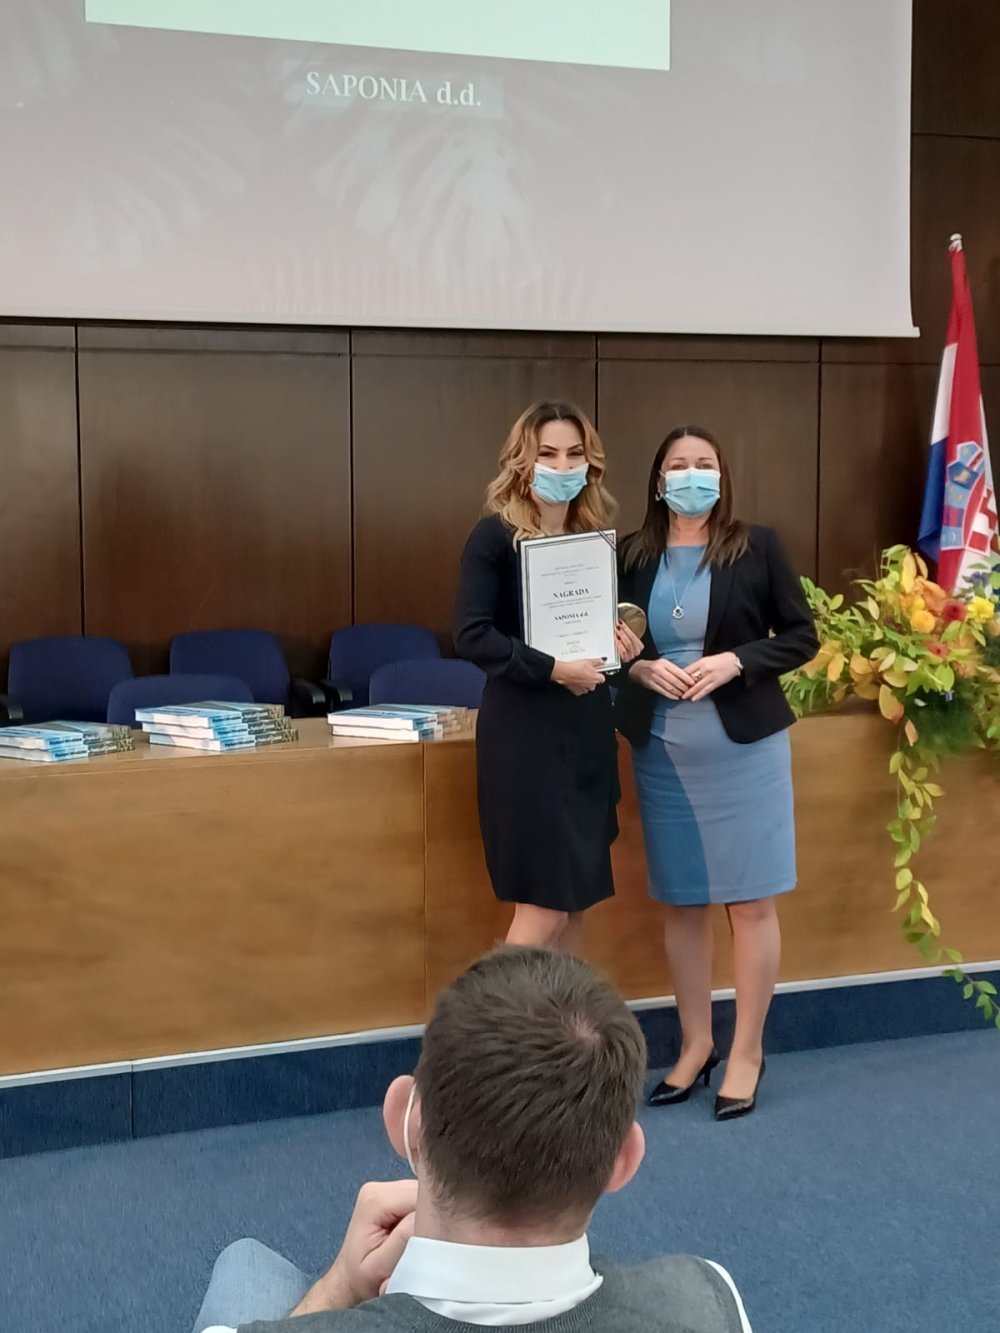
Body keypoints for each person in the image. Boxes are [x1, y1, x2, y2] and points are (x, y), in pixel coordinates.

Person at [194, 945, 752, 1332]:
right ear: (623, 1159)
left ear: (406, 1119)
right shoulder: (708, 1300)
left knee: (247, 1265)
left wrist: (340, 1286)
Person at [616, 426, 818, 1121]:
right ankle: (697, 1044)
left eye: (704, 464)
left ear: (722, 477)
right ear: (658, 481)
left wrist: (736, 660)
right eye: (678, 465)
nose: (691, 475)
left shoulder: (757, 546)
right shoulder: (630, 554)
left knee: (751, 903)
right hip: (664, 751)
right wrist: (639, 668)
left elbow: (802, 636)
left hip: (745, 749)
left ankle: (747, 1051)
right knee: (684, 901)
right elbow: (604, 645)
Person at [452, 401, 642, 952]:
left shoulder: (594, 539)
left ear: (591, 464)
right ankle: (498, 1012)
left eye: (574, 454)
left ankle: (563, 1013)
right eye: (548, 454)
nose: (563, 466)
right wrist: (553, 669)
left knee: (574, 904)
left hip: (585, 736)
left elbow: (596, 637)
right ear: (522, 462)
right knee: (544, 910)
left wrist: (620, 649)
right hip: (525, 740)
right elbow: (471, 634)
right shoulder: (494, 538)